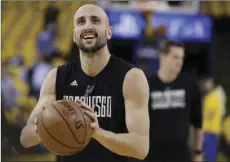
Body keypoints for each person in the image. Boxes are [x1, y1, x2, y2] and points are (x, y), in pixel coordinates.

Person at [20, 4, 150, 162]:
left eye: (95, 21)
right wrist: (47, 126)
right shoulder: (57, 77)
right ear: (75, 36)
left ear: (109, 32)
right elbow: (25, 138)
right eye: (81, 22)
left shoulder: (131, 77)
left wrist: (96, 133)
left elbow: (141, 147)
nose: (88, 26)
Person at [146, 40, 203, 162]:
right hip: (152, 155)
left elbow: (198, 123)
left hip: (181, 155)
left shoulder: (190, 86)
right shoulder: (146, 85)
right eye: (175, 57)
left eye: (181, 58)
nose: (180, 62)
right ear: (162, 56)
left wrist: (198, 153)